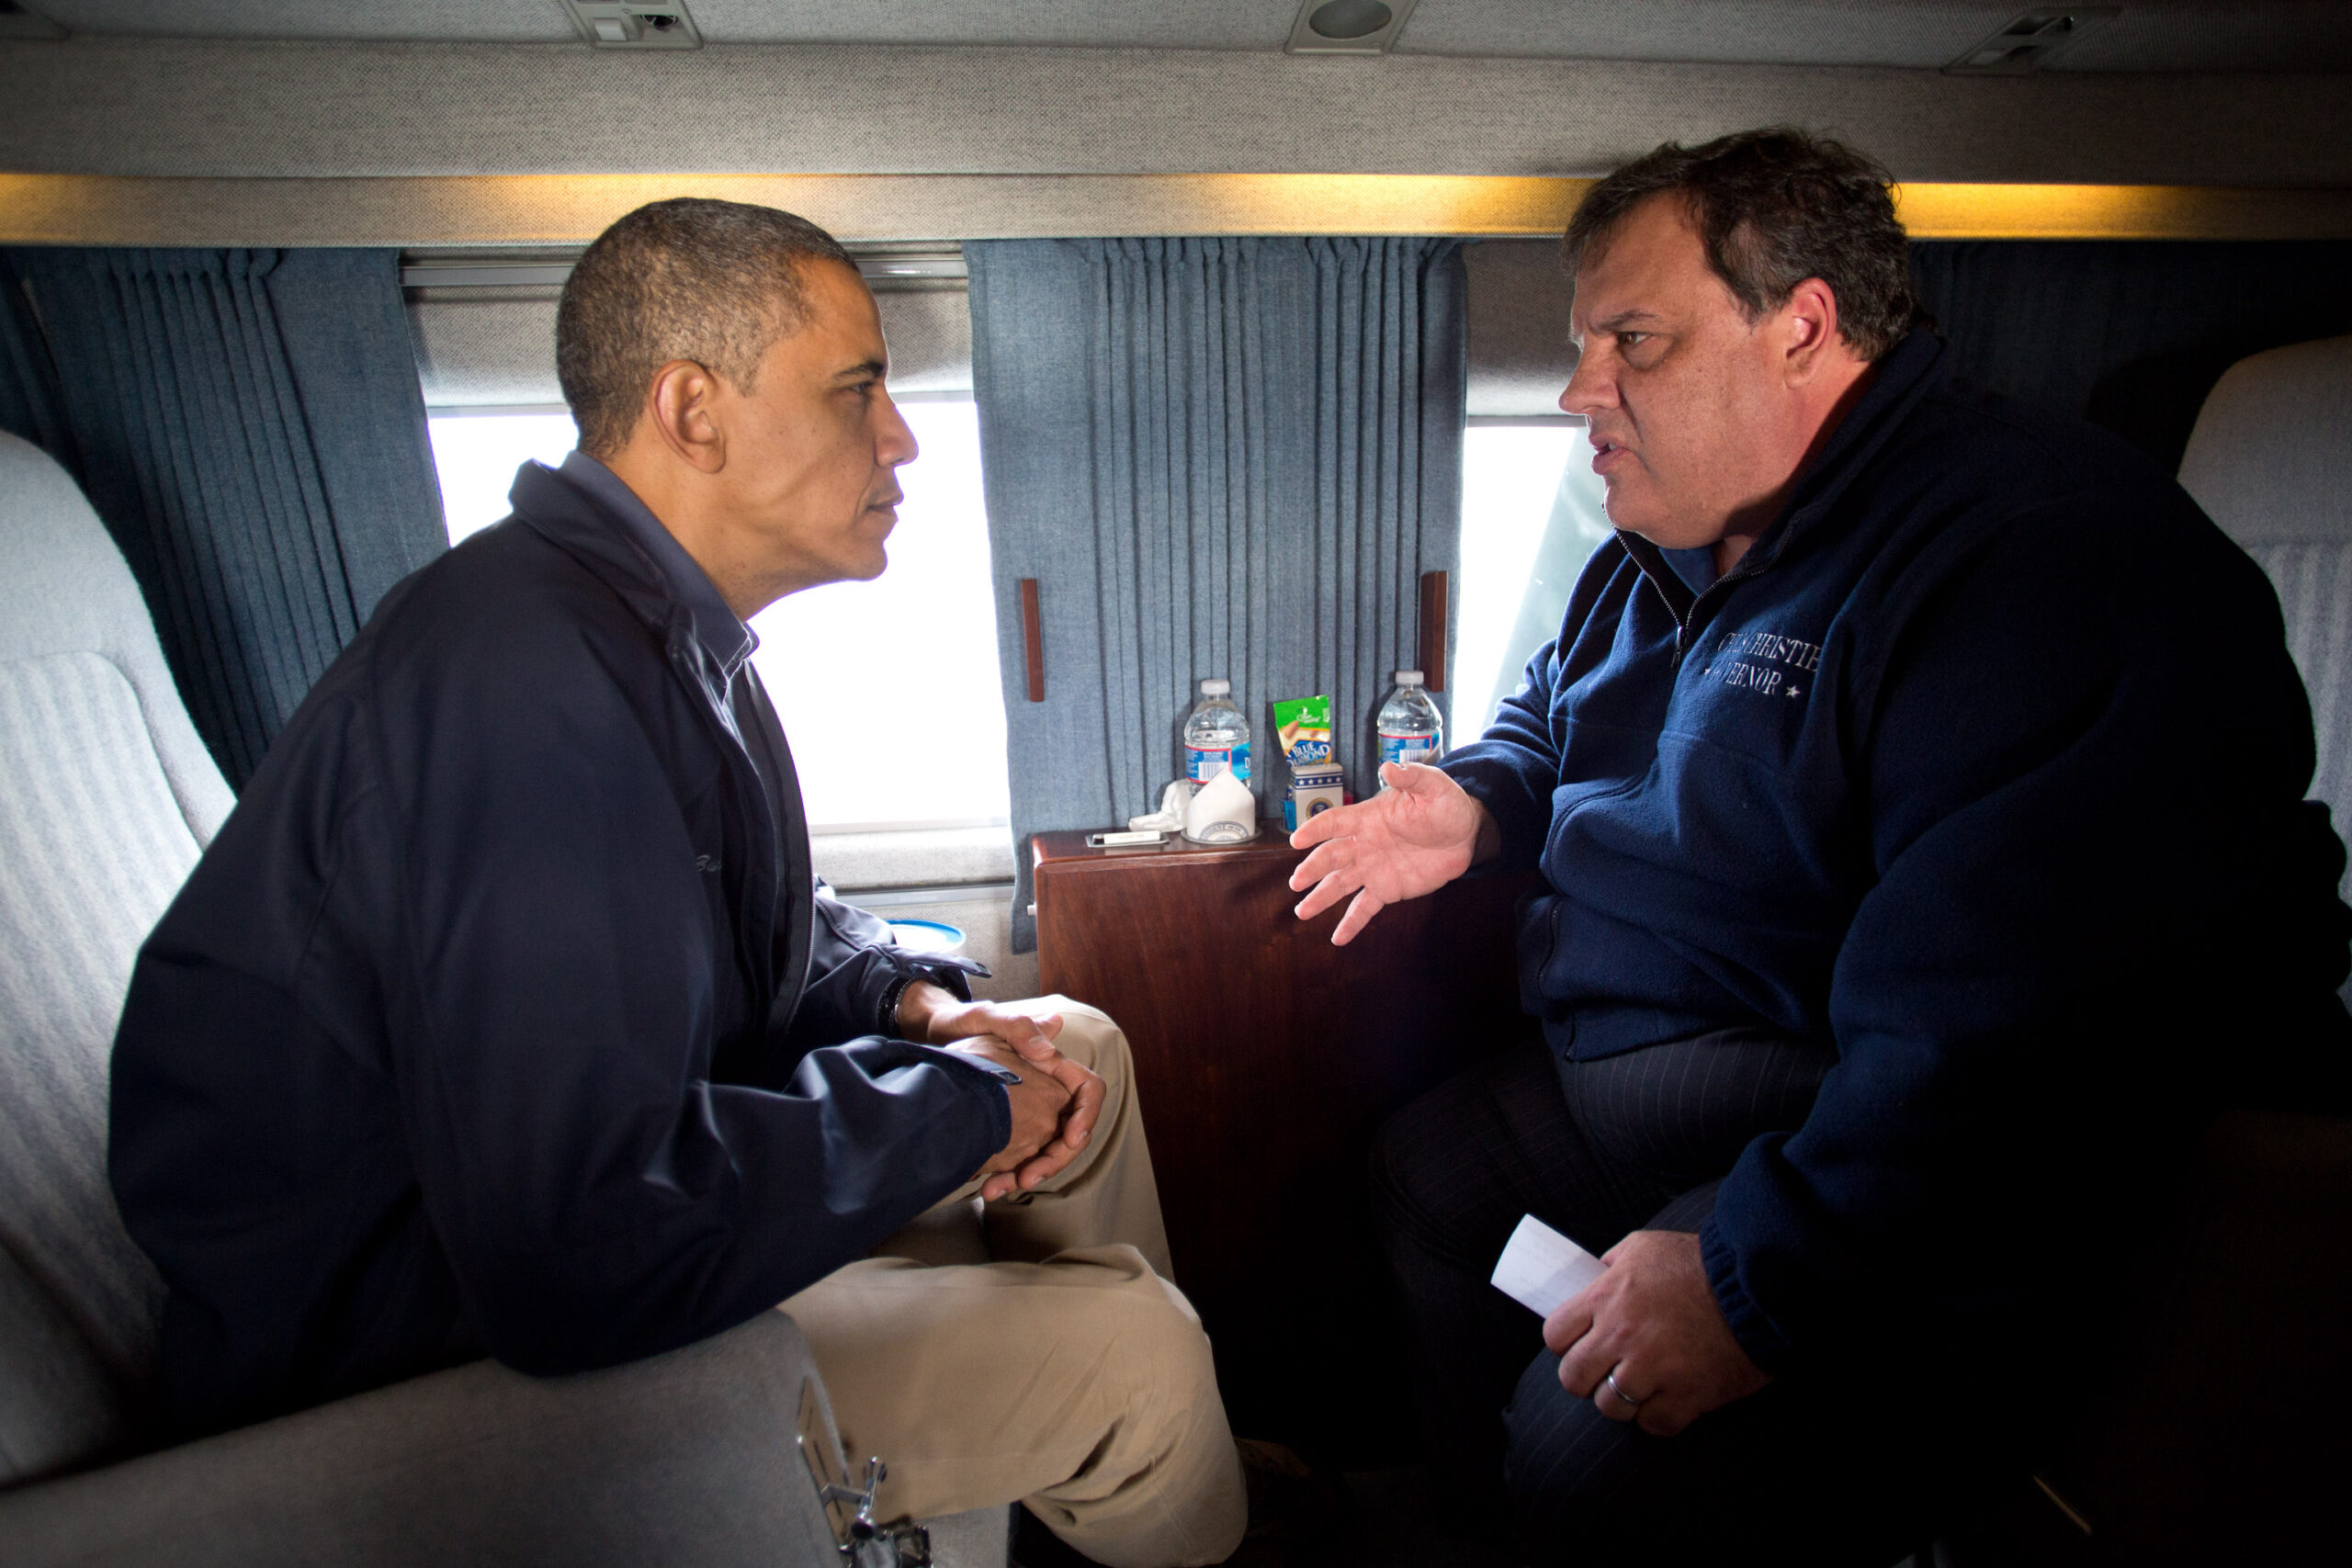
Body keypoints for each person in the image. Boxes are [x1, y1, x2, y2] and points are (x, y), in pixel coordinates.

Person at [109, 197, 1244, 1567]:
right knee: (1144, 1356)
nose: (904, 437)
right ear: (694, 412)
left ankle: (1105, 1500)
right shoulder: (525, 682)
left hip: (522, 1257)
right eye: (859, 389)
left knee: (1078, 1045)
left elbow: (757, 927)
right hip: (405, 1353)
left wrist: (922, 1013)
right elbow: (577, 1241)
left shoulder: (656, 640)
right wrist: (956, 1117)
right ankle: (1145, 1448)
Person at [1288, 129, 2351, 1562]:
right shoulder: (1657, 547)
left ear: (1803, 326)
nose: (1580, 391)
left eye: (1634, 341)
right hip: (1644, 1055)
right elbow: (1555, 706)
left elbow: (2014, 1029)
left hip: (1851, 1095)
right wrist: (1482, 794)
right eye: (1581, 343)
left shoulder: (2039, 554)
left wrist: (1755, 1284)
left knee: (1589, 1444)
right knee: (1429, 1185)